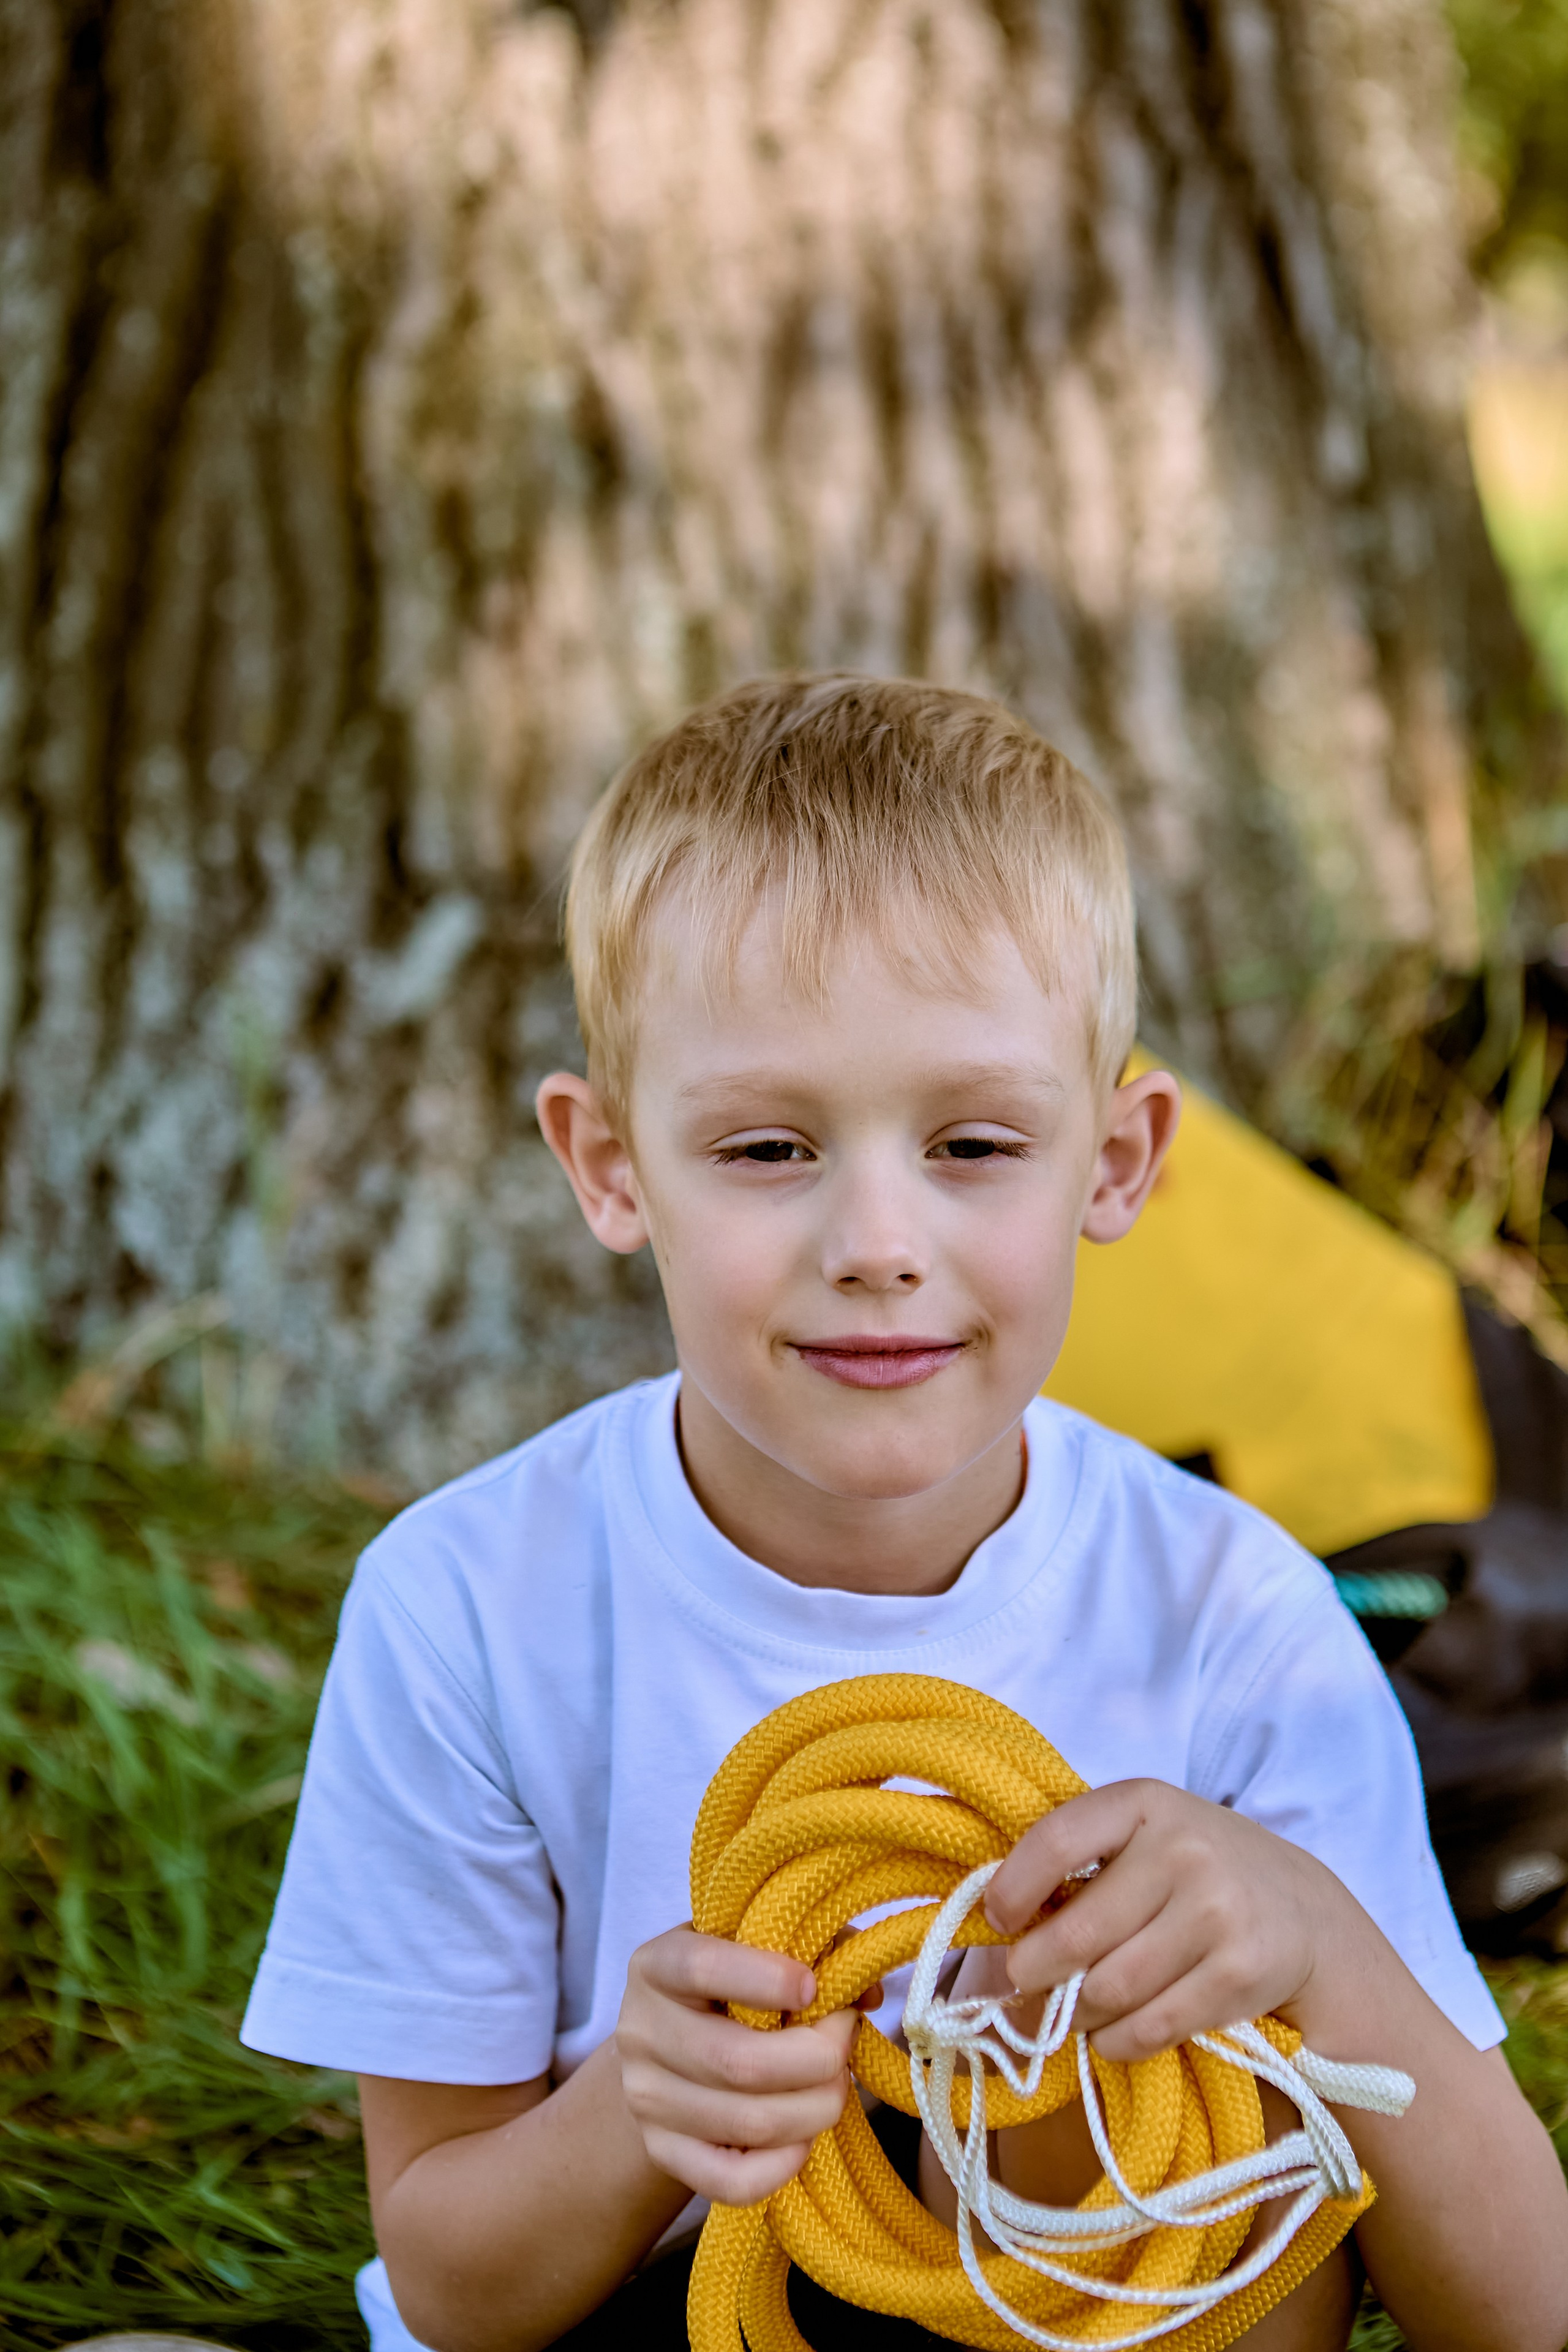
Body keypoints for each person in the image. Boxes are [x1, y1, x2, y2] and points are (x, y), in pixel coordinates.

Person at [241, 674, 1568, 2352]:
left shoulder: (1237, 1623)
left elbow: (1526, 2313)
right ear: (609, 1167)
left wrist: (1315, 1942)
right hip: (671, 2315)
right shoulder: (469, 1605)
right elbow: (448, 2278)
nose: (877, 1238)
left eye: (972, 1142)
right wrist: (637, 2116)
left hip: (1096, 2313)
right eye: (772, 1147)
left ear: (1117, 1162)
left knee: (1175, 2102)